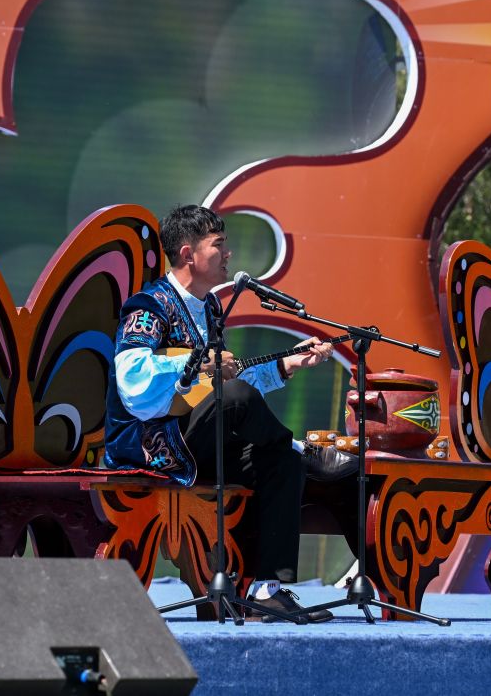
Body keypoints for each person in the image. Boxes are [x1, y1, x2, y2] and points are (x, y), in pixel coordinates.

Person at [104, 204, 355, 623]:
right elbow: (132, 381)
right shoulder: (149, 306)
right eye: (219, 245)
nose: (228, 254)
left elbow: (223, 387)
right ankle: (301, 447)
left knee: (282, 464)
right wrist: (195, 362)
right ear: (188, 254)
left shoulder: (210, 309)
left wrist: (288, 364)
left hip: (197, 437)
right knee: (237, 399)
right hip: (151, 443)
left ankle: (267, 591)